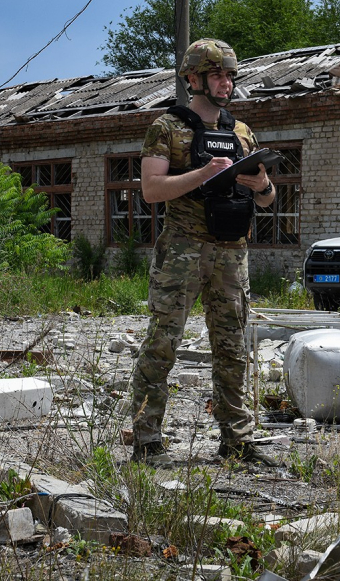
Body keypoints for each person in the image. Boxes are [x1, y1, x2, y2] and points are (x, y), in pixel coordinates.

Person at [130, 38, 280, 468]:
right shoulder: (166, 128)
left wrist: (261, 185)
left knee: (233, 347)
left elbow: (268, 200)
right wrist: (201, 174)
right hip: (182, 250)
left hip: (232, 253)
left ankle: (238, 440)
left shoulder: (241, 132)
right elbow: (151, 190)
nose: (225, 82)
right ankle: (146, 439)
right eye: (217, 74)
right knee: (162, 343)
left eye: (230, 75)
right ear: (193, 79)